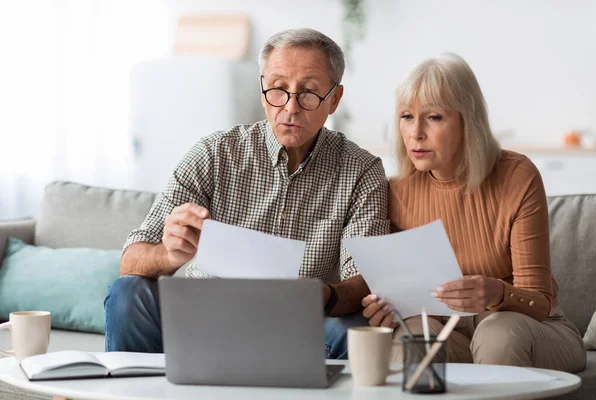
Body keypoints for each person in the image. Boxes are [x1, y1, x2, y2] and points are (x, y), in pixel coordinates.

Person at [103, 28, 389, 356]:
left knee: (354, 330)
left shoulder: (361, 170)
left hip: (296, 325)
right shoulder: (213, 153)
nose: (290, 108)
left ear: (334, 99)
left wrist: (323, 294)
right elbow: (130, 261)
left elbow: (365, 279)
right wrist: (168, 255)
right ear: (262, 88)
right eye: (278, 89)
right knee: (127, 293)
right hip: (201, 314)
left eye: (308, 92)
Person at [336, 53, 586, 372]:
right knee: (412, 338)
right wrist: (390, 306)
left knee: (497, 333)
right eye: (406, 117)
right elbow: (410, 296)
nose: (416, 133)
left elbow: (538, 302)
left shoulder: (517, 176)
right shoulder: (394, 191)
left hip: (532, 329)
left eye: (434, 117)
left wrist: (497, 292)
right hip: (450, 335)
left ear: (467, 121)